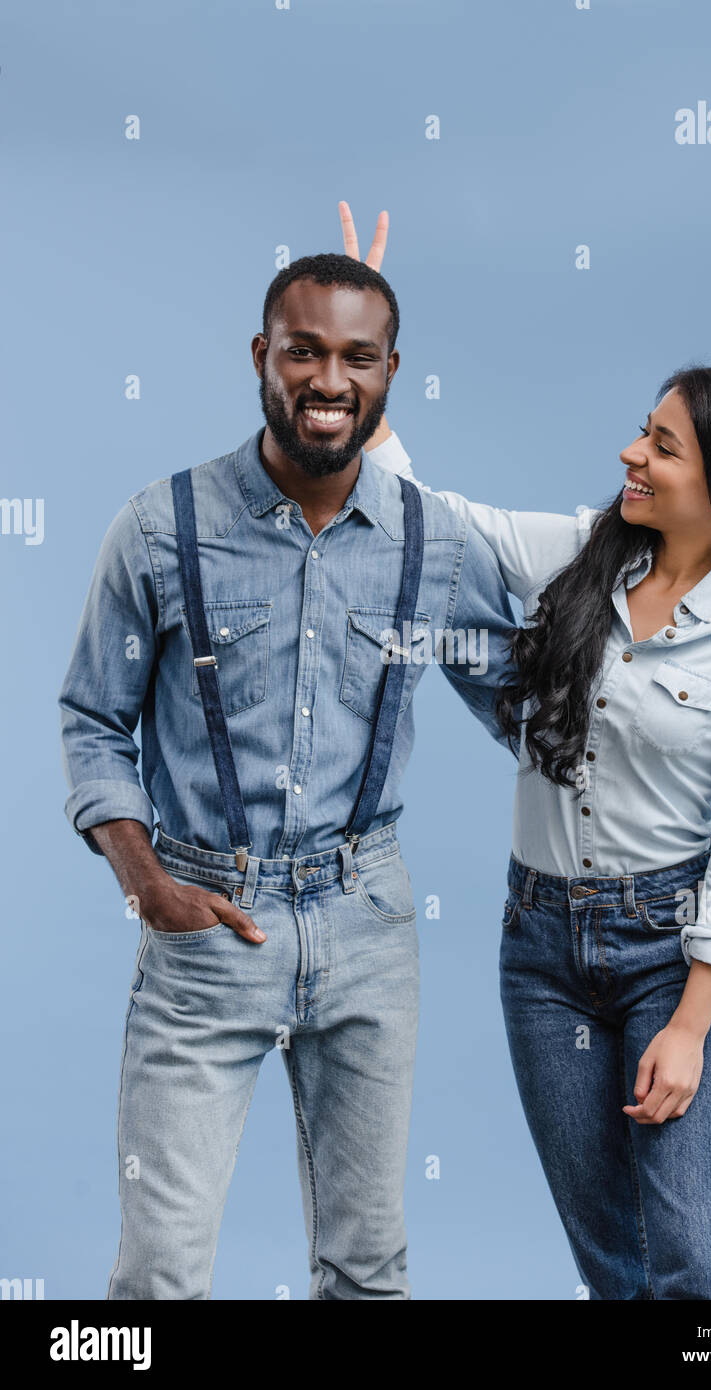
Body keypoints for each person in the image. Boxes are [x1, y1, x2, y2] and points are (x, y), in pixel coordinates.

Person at [348, 209, 711, 1300]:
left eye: (663, 444)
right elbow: (438, 522)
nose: (632, 451)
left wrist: (694, 1023)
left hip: (670, 952)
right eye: (642, 428)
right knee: (613, 1264)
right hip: (541, 951)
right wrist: (368, 354)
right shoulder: (584, 552)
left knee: (696, 1265)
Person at [58, 251, 515, 1301]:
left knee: (369, 1270)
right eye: (304, 349)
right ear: (263, 356)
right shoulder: (163, 527)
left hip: (367, 921)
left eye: (358, 356)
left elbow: (531, 713)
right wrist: (148, 887)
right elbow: (91, 718)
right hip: (205, 919)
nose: (328, 378)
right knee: (160, 1275)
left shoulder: (429, 543)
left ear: (391, 374)